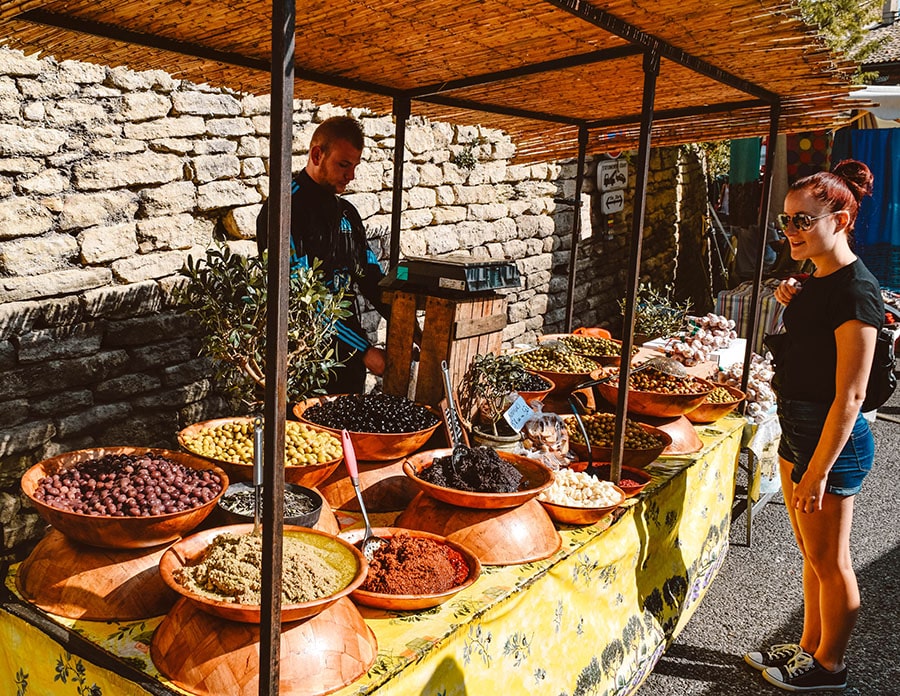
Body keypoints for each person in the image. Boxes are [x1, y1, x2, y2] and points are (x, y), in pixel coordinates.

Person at [743, 160, 883, 692]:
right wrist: (789, 298)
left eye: (804, 221)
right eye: (787, 221)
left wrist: (818, 469)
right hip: (800, 430)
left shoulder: (856, 292)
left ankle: (830, 666)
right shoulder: (817, 280)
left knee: (832, 561)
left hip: (833, 443)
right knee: (813, 557)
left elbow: (851, 394)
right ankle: (807, 647)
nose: (791, 232)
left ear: (841, 220)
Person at [256, 116, 390, 394]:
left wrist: (405, 320)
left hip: (349, 366)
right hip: (304, 363)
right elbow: (299, 294)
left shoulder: (348, 214)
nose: (350, 176)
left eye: (354, 166)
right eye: (343, 164)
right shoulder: (284, 209)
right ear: (317, 154)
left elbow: (371, 276)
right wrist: (365, 349)